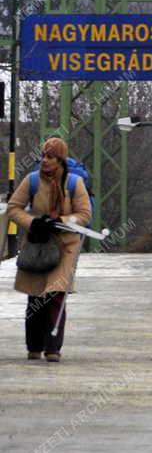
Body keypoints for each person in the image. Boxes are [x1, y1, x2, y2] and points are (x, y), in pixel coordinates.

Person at [6, 136, 92, 362]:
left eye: (50, 157)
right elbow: (14, 208)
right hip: (37, 244)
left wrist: (61, 220)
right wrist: (33, 222)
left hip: (65, 246)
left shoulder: (74, 183)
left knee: (55, 295)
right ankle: (34, 346)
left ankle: (53, 348)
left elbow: (84, 215)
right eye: (43, 156)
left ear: (60, 160)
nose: (45, 160)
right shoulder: (32, 181)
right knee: (35, 296)